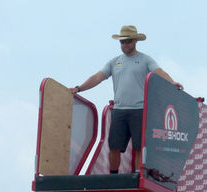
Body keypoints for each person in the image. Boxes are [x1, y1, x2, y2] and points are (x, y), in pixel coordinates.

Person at [70, 25, 183, 173]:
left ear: (135, 41)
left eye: (128, 41)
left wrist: (172, 82)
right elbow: (98, 77)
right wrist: (79, 88)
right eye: (122, 42)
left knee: (139, 146)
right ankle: (114, 175)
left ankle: (137, 175)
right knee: (114, 146)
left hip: (139, 109)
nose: (125, 45)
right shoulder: (114, 62)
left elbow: (159, 72)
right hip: (119, 110)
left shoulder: (145, 60)